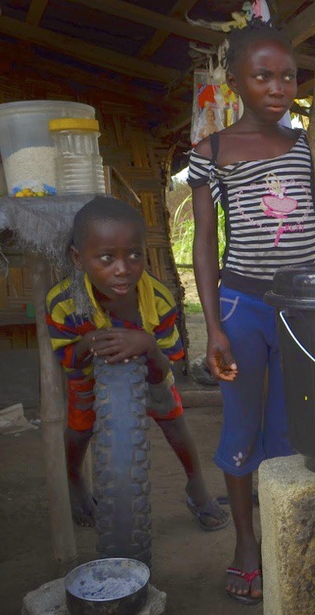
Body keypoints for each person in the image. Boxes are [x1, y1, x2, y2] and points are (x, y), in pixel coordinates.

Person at [187, 21, 315, 605]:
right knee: (241, 427)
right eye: (262, 76)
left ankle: (287, 534)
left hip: (299, 310)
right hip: (240, 307)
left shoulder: (306, 144)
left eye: (287, 76)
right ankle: (246, 543)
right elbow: (205, 242)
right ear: (236, 82)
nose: (278, 87)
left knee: (289, 431)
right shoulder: (210, 152)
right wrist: (213, 326)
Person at [46, 196, 228, 533]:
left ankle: (196, 484)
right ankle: (75, 478)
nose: (123, 268)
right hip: (88, 370)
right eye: (106, 257)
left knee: (173, 417)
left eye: (134, 255)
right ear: (78, 258)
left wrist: (147, 345)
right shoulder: (63, 303)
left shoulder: (158, 300)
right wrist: (87, 344)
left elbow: (167, 370)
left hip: (150, 368)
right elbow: (69, 363)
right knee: (80, 424)